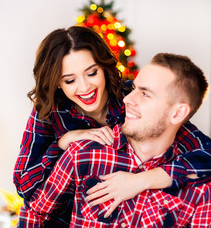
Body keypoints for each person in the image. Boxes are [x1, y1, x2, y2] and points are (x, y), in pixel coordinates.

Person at [13, 26, 211, 225]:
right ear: (57, 82)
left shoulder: (131, 99)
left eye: (92, 73)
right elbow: (25, 187)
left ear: (103, 67)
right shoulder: (51, 112)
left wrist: (142, 180)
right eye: (70, 80)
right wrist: (63, 142)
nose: (84, 87)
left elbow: (205, 152)